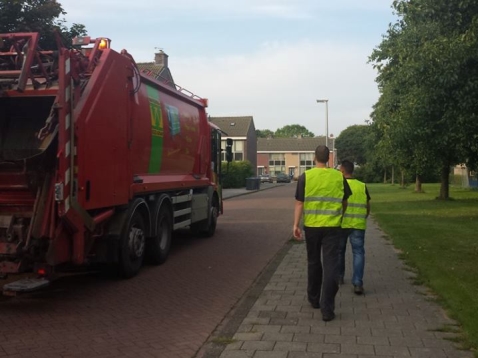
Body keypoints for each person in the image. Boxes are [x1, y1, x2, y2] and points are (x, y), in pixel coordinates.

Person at [293, 145, 351, 322]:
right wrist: (340, 215)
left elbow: (299, 203)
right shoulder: (338, 177)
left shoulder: (306, 177)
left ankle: (313, 298)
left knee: (314, 262)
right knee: (331, 266)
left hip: (312, 227)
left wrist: (295, 225)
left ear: (314, 158)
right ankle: (327, 308)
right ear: (328, 159)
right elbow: (344, 201)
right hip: (333, 227)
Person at [338, 160, 371, 295]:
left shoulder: (339, 185)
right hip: (358, 224)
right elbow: (368, 206)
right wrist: (364, 216)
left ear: (342, 171)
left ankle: (339, 277)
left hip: (341, 224)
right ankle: (357, 283)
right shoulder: (362, 185)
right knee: (358, 253)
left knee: (339, 251)